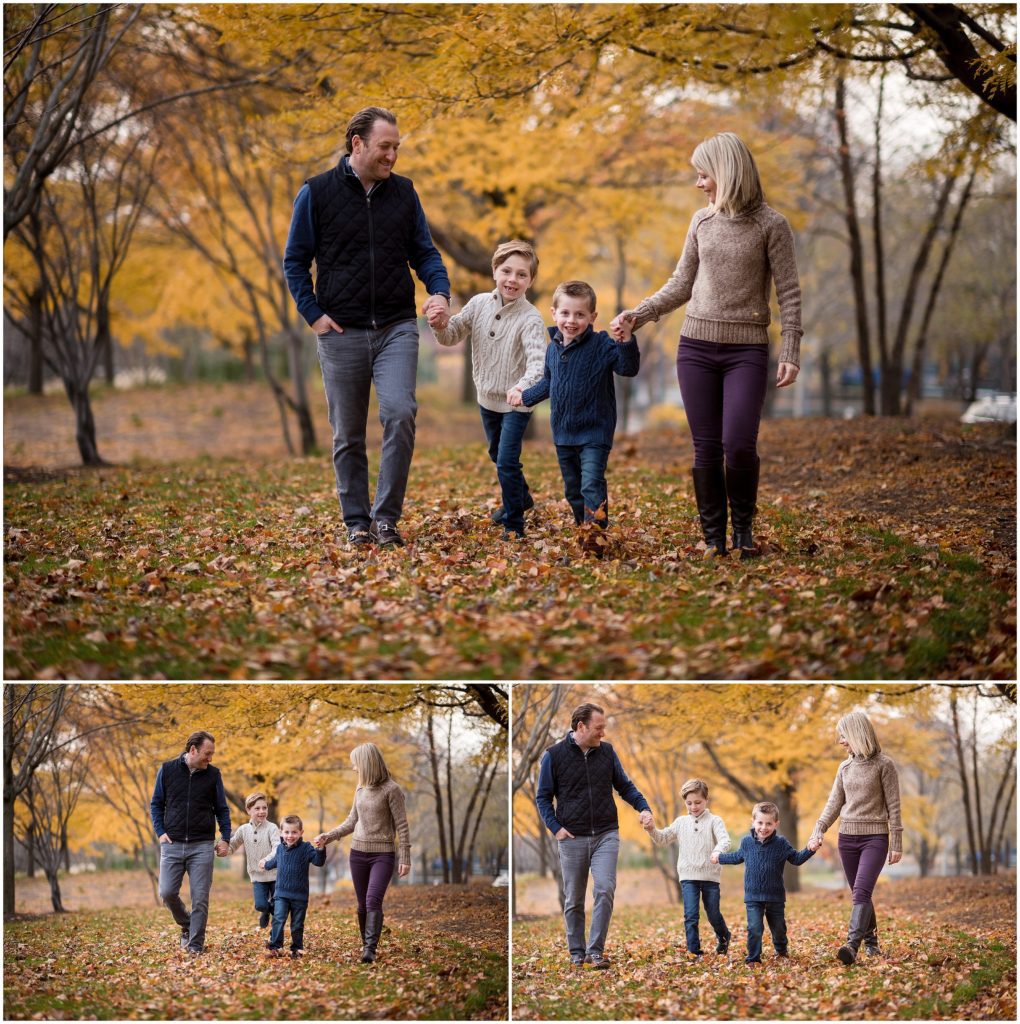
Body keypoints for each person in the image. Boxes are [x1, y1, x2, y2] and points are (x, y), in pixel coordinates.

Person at [611, 131, 802, 558]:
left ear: (726, 173)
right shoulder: (701, 222)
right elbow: (681, 283)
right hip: (695, 347)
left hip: (746, 350)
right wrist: (638, 315)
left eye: (703, 175)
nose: (699, 184)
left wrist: (790, 349)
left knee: (738, 443)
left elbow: (789, 292)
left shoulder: (772, 225)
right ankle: (714, 537)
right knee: (706, 447)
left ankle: (744, 532)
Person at [283, 106, 452, 548]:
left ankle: (386, 519)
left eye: (396, 147)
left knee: (400, 413)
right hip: (341, 332)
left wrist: (439, 292)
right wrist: (313, 314)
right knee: (348, 433)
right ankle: (357, 522)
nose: (392, 155)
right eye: (385, 146)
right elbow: (295, 262)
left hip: (397, 325)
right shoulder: (316, 193)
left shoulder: (405, 193)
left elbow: (425, 253)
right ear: (357, 144)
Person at [510, 281, 639, 555]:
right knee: (573, 490)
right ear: (554, 313)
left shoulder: (601, 343)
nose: (572, 320)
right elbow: (549, 383)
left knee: (591, 483)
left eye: (580, 315)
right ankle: (585, 526)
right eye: (566, 313)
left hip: (595, 431)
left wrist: (626, 339)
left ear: (592, 317)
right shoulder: (552, 349)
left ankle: (594, 538)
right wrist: (525, 396)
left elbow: (628, 368)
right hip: (564, 433)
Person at [432, 239, 547, 538]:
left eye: (522, 274)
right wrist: (441, 324)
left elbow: (538, 366)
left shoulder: (531, 319)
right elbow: (451, 335)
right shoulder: (479, 304)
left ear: (531, 280)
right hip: (487, 398)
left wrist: (521, 387)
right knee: (497, 454)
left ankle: (513, 523)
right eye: (507, 271)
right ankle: (521, 498)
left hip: (517, 402)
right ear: (494, 271)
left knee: (507, 460)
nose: (513, 279)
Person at [535, 702, 653, 969]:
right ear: (581, 727)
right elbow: (543, 797)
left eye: (604, 728)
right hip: (572, 837)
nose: (603, 733)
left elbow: (625, 786)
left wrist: (644, 808)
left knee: (605, 889)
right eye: (599, 728)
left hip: (605, 834)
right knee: (573, 898)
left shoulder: (607, 753)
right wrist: (556, 828)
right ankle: (576, 952)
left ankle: (595, 951)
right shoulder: (554, 756)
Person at [808, 711, 902, 965]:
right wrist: (819, 827)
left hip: (875, 838)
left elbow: (893, 806)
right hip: (847, 839)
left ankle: (852, 946)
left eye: (844, 736)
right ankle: (872, 944)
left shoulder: (885, 765)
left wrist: (897, 842)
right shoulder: (844, 767)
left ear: (857, 734)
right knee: (861, 893)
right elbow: (834, 803)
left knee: (861, 891)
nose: (840, 741)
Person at [313, 742, 411, 963]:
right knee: (361, 904)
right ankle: (365, 944)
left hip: (382, 855)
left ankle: (370, 950)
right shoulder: (360, 789)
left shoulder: (392, 790)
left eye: (355, 764)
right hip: (358, 853)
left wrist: (405, 857)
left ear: (367, 763)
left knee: (372, 900)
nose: (353, 768)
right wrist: (328, 836)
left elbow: (402, 826)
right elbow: (351, 821)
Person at [149, 730, 232, 955]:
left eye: (212, 754)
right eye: (207, 753)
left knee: (200, 898)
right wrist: (160, 832)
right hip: (172, 843)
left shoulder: (213, 775)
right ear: (193, 750)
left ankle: (195, 945)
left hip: (202, 846)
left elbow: (222, 809)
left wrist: (225, 838)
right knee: (166, 892)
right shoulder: (167, 770)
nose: (210, 759)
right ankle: (186, 924)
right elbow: (156, 804)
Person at [713, 801, 818, 964]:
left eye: (769, 823)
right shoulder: (746, 842)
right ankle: (753, 958)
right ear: (753, 822)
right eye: (760, 822)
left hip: (775, 897)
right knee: (754, 928)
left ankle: (781, 951)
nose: (764, 827)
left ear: (776, 824)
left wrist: (810, 849)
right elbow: (736, 857)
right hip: (753, 896)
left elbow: (796, 859)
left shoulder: (781, 844)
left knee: (778, 929)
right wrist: (719, 857)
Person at [644, 778, 731, 957]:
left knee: (713, 914)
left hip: (710, 876)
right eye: (689, 803)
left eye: (698, 802)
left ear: (706, 800)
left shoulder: (715, 821)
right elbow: (662, 838)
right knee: (691, 915)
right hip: (688, 876)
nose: (693, 807)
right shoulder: (680, 822)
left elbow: (725, 840)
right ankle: (694, 952)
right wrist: (651, 829)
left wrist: (717, 851)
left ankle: (724, 936)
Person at [260, 814, 327, 958]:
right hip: (281, 894)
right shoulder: (280, 849)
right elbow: (275, 862)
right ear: (281, 832)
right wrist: (265, 864)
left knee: (297, 924)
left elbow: (318, 862)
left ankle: (297, 948)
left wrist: (320, 849)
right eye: (287, 832)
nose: (290, 836)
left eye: (294, 832)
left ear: (301, 832)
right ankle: (276, 946)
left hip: (299, 895)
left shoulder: (306, 848)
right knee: (278, 919)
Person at [221, 791, 281, 930]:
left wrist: (266, 860)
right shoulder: (244, 829)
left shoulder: (272, 828)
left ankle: (276, 932)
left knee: (278, 905)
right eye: (257, 808)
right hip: (257, 875)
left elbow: (277, 848)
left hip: (275, 874)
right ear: (248, 810)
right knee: (260, 904)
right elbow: (233, 845)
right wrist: (224, 851)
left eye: (264, 808)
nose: (262, 811)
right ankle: (266, 911)